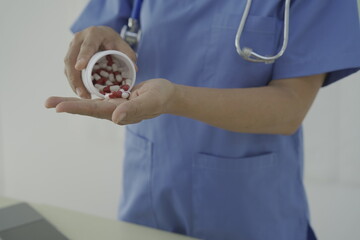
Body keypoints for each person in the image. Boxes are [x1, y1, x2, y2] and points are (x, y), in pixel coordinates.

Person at [45, 0, 360, 239]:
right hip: (148, 205)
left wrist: (175, 99)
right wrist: (98, 39)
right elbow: (109, 36)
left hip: (253, 215)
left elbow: (290, 109)